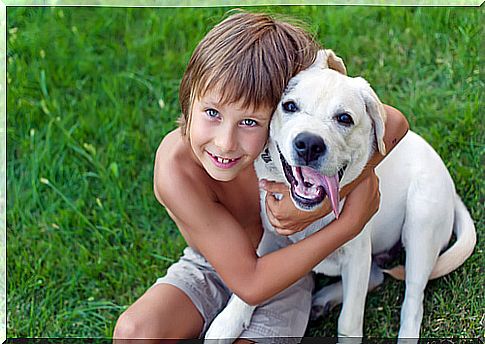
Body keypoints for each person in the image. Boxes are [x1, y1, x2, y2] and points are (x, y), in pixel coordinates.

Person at [113, 10, 409, 341]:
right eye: (212, 112)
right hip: (214, 263)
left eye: (251, 122)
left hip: (286, 270)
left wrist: (328, 198)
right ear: (188, 98)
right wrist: (348, 222)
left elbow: (394, 123)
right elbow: (249, 282)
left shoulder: (285, 131)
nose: (225, 143)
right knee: (132, 333)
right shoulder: (175, 168)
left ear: (276, 114)